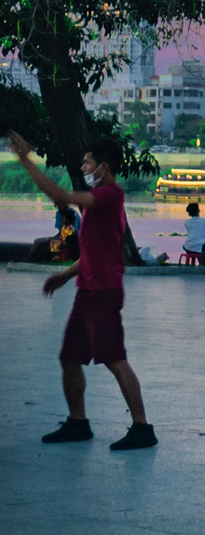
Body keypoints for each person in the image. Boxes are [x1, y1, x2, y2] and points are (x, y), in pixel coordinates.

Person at [10, 132, 157, 450]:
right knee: (70, 357)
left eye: (88, 162)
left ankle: (142, 428)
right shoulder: (97, 203)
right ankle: (78, 422)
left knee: (115, 358)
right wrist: (64, 275)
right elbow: (94, 251)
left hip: (103, 291)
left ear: (103, 167)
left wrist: (25, 160)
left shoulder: (109, 196)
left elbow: (60, 194)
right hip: (87, 290)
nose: (84, 166)